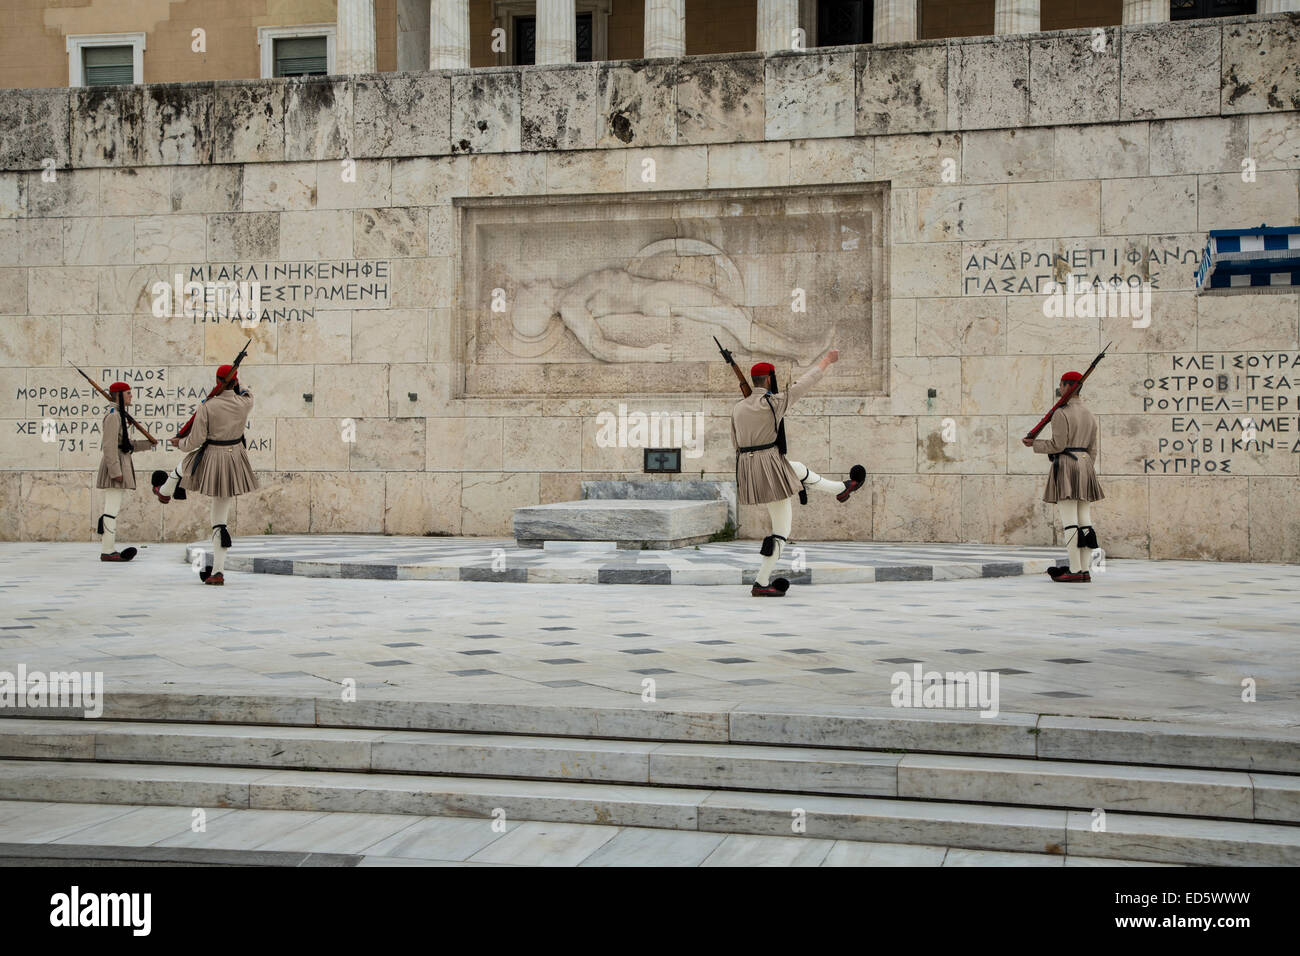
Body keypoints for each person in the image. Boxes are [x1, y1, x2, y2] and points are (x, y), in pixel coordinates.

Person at [732, 349, 866, 597]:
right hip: (770, 468)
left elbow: (736, 444)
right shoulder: (774, 403)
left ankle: (841, 488)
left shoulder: (738, 408)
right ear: (770, 380)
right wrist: (826, 360)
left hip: (750, 471)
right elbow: (804, 384)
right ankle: (761, 583)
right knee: (781, 530)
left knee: (797, 469)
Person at [153, 364, 257, 586]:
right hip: (234, 458)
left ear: (218, 381)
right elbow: (247, 391)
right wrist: (236, 384)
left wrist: (178, 442)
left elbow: (195, 441)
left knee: (182, 466)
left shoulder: (208, 406)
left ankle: (164, 492)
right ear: (235, 381)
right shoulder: (244, 403)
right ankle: (217, 572)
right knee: (219, 522)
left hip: (212, 455)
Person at [1022, 371, 1104, 583]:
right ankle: (1085, 570)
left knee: (1070, 521)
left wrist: (1035, 444)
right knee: (1085, 521)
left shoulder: (1061, 413)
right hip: (1086, 464)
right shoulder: (1089, 413)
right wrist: (1085, 467)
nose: (1059, 387)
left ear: (1068, 386)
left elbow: (1058, 445)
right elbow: (1093, 449)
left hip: (1067, 464)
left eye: (1061, 384)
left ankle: (1075, 570)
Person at [95, 382, 156, 561]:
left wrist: (148, 445)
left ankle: (108, 548)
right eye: (128, 393)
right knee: (111, 509)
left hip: (121, 462)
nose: (131, 396)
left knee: (113, 508)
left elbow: (125, 445)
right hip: (116, 465)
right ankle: (107, 550)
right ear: (119, 395)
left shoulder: (119, 415)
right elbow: (109, 446)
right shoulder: (113, 416)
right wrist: (115, 471)